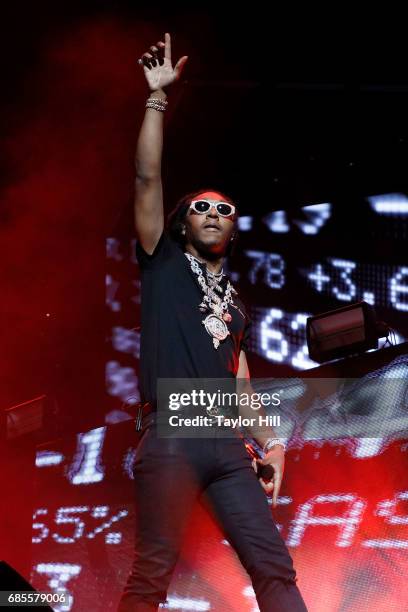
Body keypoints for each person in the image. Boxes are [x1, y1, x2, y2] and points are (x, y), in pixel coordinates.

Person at [118, 33, 308, 612]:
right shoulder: (164, 263)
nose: (213, 212)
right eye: (200, 205)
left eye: (224, 208)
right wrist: (157, 101)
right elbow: (148, 181)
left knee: (275, 566)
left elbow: (241, 385)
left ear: (233, 229)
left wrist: (272, 443)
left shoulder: (237, 303)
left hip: (226, 445)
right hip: (172, 434)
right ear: (181, 223)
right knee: (153, 572)